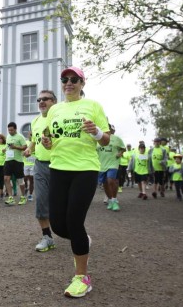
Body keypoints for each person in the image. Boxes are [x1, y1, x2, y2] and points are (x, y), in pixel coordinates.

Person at [41, 67, 110, 298]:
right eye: (64, 79)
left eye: (73, 79)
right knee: (59, 226)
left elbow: (105, 139)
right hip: (58, 169)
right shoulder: (55, 110)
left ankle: (82, 277)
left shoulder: (93, 106)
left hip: (85, 169)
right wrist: (47, 142)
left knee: (74, 221)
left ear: (82, 83)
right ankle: (82, 241)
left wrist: (97, 132)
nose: (68, 83)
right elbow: (51, 139)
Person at [25, 90, 57, 252]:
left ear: (54, 101)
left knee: (62, 204)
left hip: (60, 165)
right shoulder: (35, 121)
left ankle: (76, 234)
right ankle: (47, 237)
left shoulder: (59, 119)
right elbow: (33, 140)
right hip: (40, 165)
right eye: (39, 99)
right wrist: (29, 149)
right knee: (41, 201)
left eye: (46, 99)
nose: (41, 102)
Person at [98, 124, 125, 211]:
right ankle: (110, 200)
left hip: (113, 163)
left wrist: (120, 153)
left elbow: (123, 148)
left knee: (111, 180)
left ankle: (114, 199)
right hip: (102, 164)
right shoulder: (98, 138)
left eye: (108, 128)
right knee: (105, 183)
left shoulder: (116, 139)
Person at [3, 122, 27, 206]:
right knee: (6, 178)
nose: (10, 131)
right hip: (8, 160)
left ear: (15, 129)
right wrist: (4, 149)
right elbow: (8, 146)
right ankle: (10, 198)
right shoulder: (8, 136)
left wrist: (16, 147)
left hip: (18, 161)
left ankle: (23, 196)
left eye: (11, 130)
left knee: (20, 180)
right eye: (9, 130)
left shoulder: (20, 137)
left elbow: (25, 147)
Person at [22, 131, 36, 201]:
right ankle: (26, 188)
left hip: (33, 164)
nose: (30, 136)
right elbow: (22, 153)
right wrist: (25, 154)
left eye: (32, 135)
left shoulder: (36, 143)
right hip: (26, 164)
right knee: (24, 179)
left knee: (31, 180)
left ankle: (30, 195)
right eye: (30, 135)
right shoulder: (26, 143)